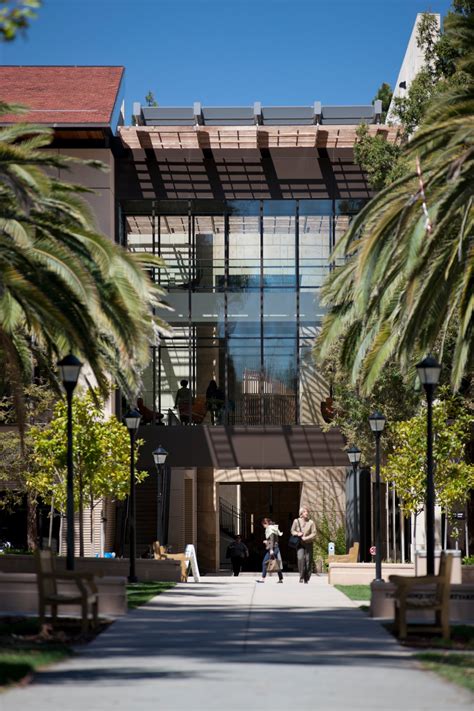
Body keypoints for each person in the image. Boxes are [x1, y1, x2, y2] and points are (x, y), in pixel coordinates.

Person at [291, 506, 317, 583]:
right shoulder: (296, 521)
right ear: (301, 513)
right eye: (305, 512)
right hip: (300, 544)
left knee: (308, 561)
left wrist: (307, 538)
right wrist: (297, 533)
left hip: (308, 543)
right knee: (300, 559)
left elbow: (314, 533)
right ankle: (301, 576)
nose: (307, 513)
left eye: (307, 512)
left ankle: (307, 577)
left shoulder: (311, 522)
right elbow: (292, 531)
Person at [257, 517, 283, 583]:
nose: (263, 526)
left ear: (266, 524)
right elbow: (273, 540)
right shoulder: (273, 528)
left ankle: (263, 578)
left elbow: (272, 540)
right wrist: (267, 541)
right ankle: (280, 578)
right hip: (276, 547)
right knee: (276, 563)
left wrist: (271, 549)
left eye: (263, 525)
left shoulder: (270, 529)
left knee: (264, 562)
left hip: (273, 548)